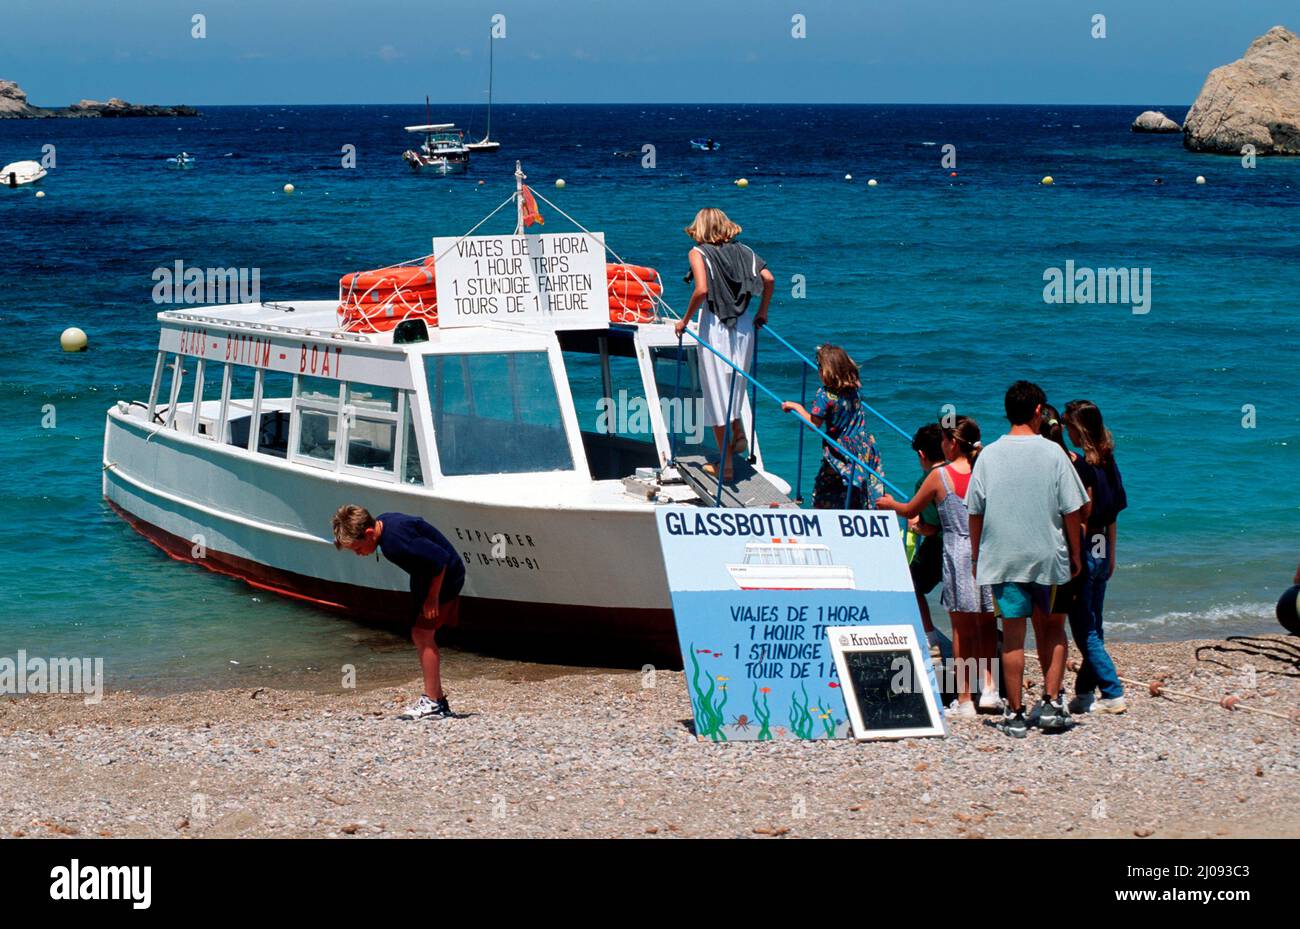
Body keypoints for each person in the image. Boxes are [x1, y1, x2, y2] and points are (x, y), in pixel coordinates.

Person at [967, 381, 1088, 738]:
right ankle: (1051, 704)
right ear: (1038, 411)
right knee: (1053, 629)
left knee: (1015, 636)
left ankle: (1016, 713)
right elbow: (1073, 510)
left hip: (1003, 558)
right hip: (1049, 557)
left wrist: (977, 555)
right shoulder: (1053, 454)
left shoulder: (988, 454)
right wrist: (1077, 554)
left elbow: (975, 511)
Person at [879, 416, 998, 717]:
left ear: (952, 443)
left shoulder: (939, 476)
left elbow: (910, 510)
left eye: (945, 440)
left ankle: (965, 699)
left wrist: (891, 504)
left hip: (958, 552)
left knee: (962, 630)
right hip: (985, 550)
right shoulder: (985, 471)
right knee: (985, 624)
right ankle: (990, 689)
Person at [332, 505, 465, 721]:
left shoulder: (394, 543)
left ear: (368, 533)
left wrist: (432, 598)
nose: (358, 554)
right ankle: (438, 700)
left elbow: (440, 560)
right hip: (428, 578)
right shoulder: (384, 523)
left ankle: (432, 703)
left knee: (423, 635)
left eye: (357, 548)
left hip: (445, 579)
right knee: (418, 633)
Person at [674, 208, 775, 483]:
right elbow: (769, 279)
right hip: (744, 327)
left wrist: (684, 320)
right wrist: (762, 312)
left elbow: (702, 290)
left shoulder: (698, 253)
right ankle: (738, 432)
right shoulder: (744, 251)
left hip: (716, 325)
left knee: (716, 391)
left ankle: (726, 465)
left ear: (700, 229)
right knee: (734, 382)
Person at [1062, 399, 1128, 714]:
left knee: (1083, 627)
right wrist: (1111, 554)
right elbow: (1113, 513)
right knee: (1094, 622)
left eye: (1069, 426)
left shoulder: (1083, 466)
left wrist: (1075, 554)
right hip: (1102, 541)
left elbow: (1083, 515)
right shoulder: (1107, 460)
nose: (1066, 431)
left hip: (1088, 543)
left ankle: (1113, 692)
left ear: (1080, 429)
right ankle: (1086, 692)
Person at [781, 345, 884, 508]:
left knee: (825, 486)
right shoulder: (854, 387)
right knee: (858, 484)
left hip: (840, 448)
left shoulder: (825, 394)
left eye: (820, 367)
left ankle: (826, 512)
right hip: (863, 444)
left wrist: (795, 406)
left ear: (825, 371)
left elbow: (814, 424)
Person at [904, 424, 947, 651]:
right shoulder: (958, 469)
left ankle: (930, 636)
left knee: (913, 585)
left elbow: (931, 527)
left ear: (922, 455)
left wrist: (915, 526)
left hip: (939, 545)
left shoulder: (927, 480)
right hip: (966, 544)